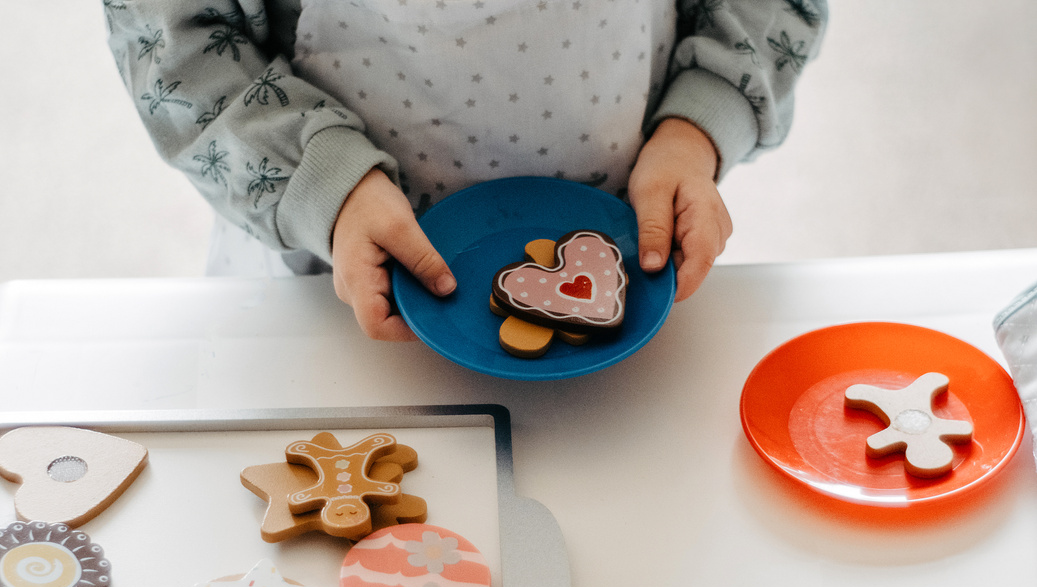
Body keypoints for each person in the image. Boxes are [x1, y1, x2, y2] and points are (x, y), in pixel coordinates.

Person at [104, 0, 826, 341]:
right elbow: (179, 47)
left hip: (632, 284)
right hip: (329, 295)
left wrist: (698, 126)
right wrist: (317, 182)